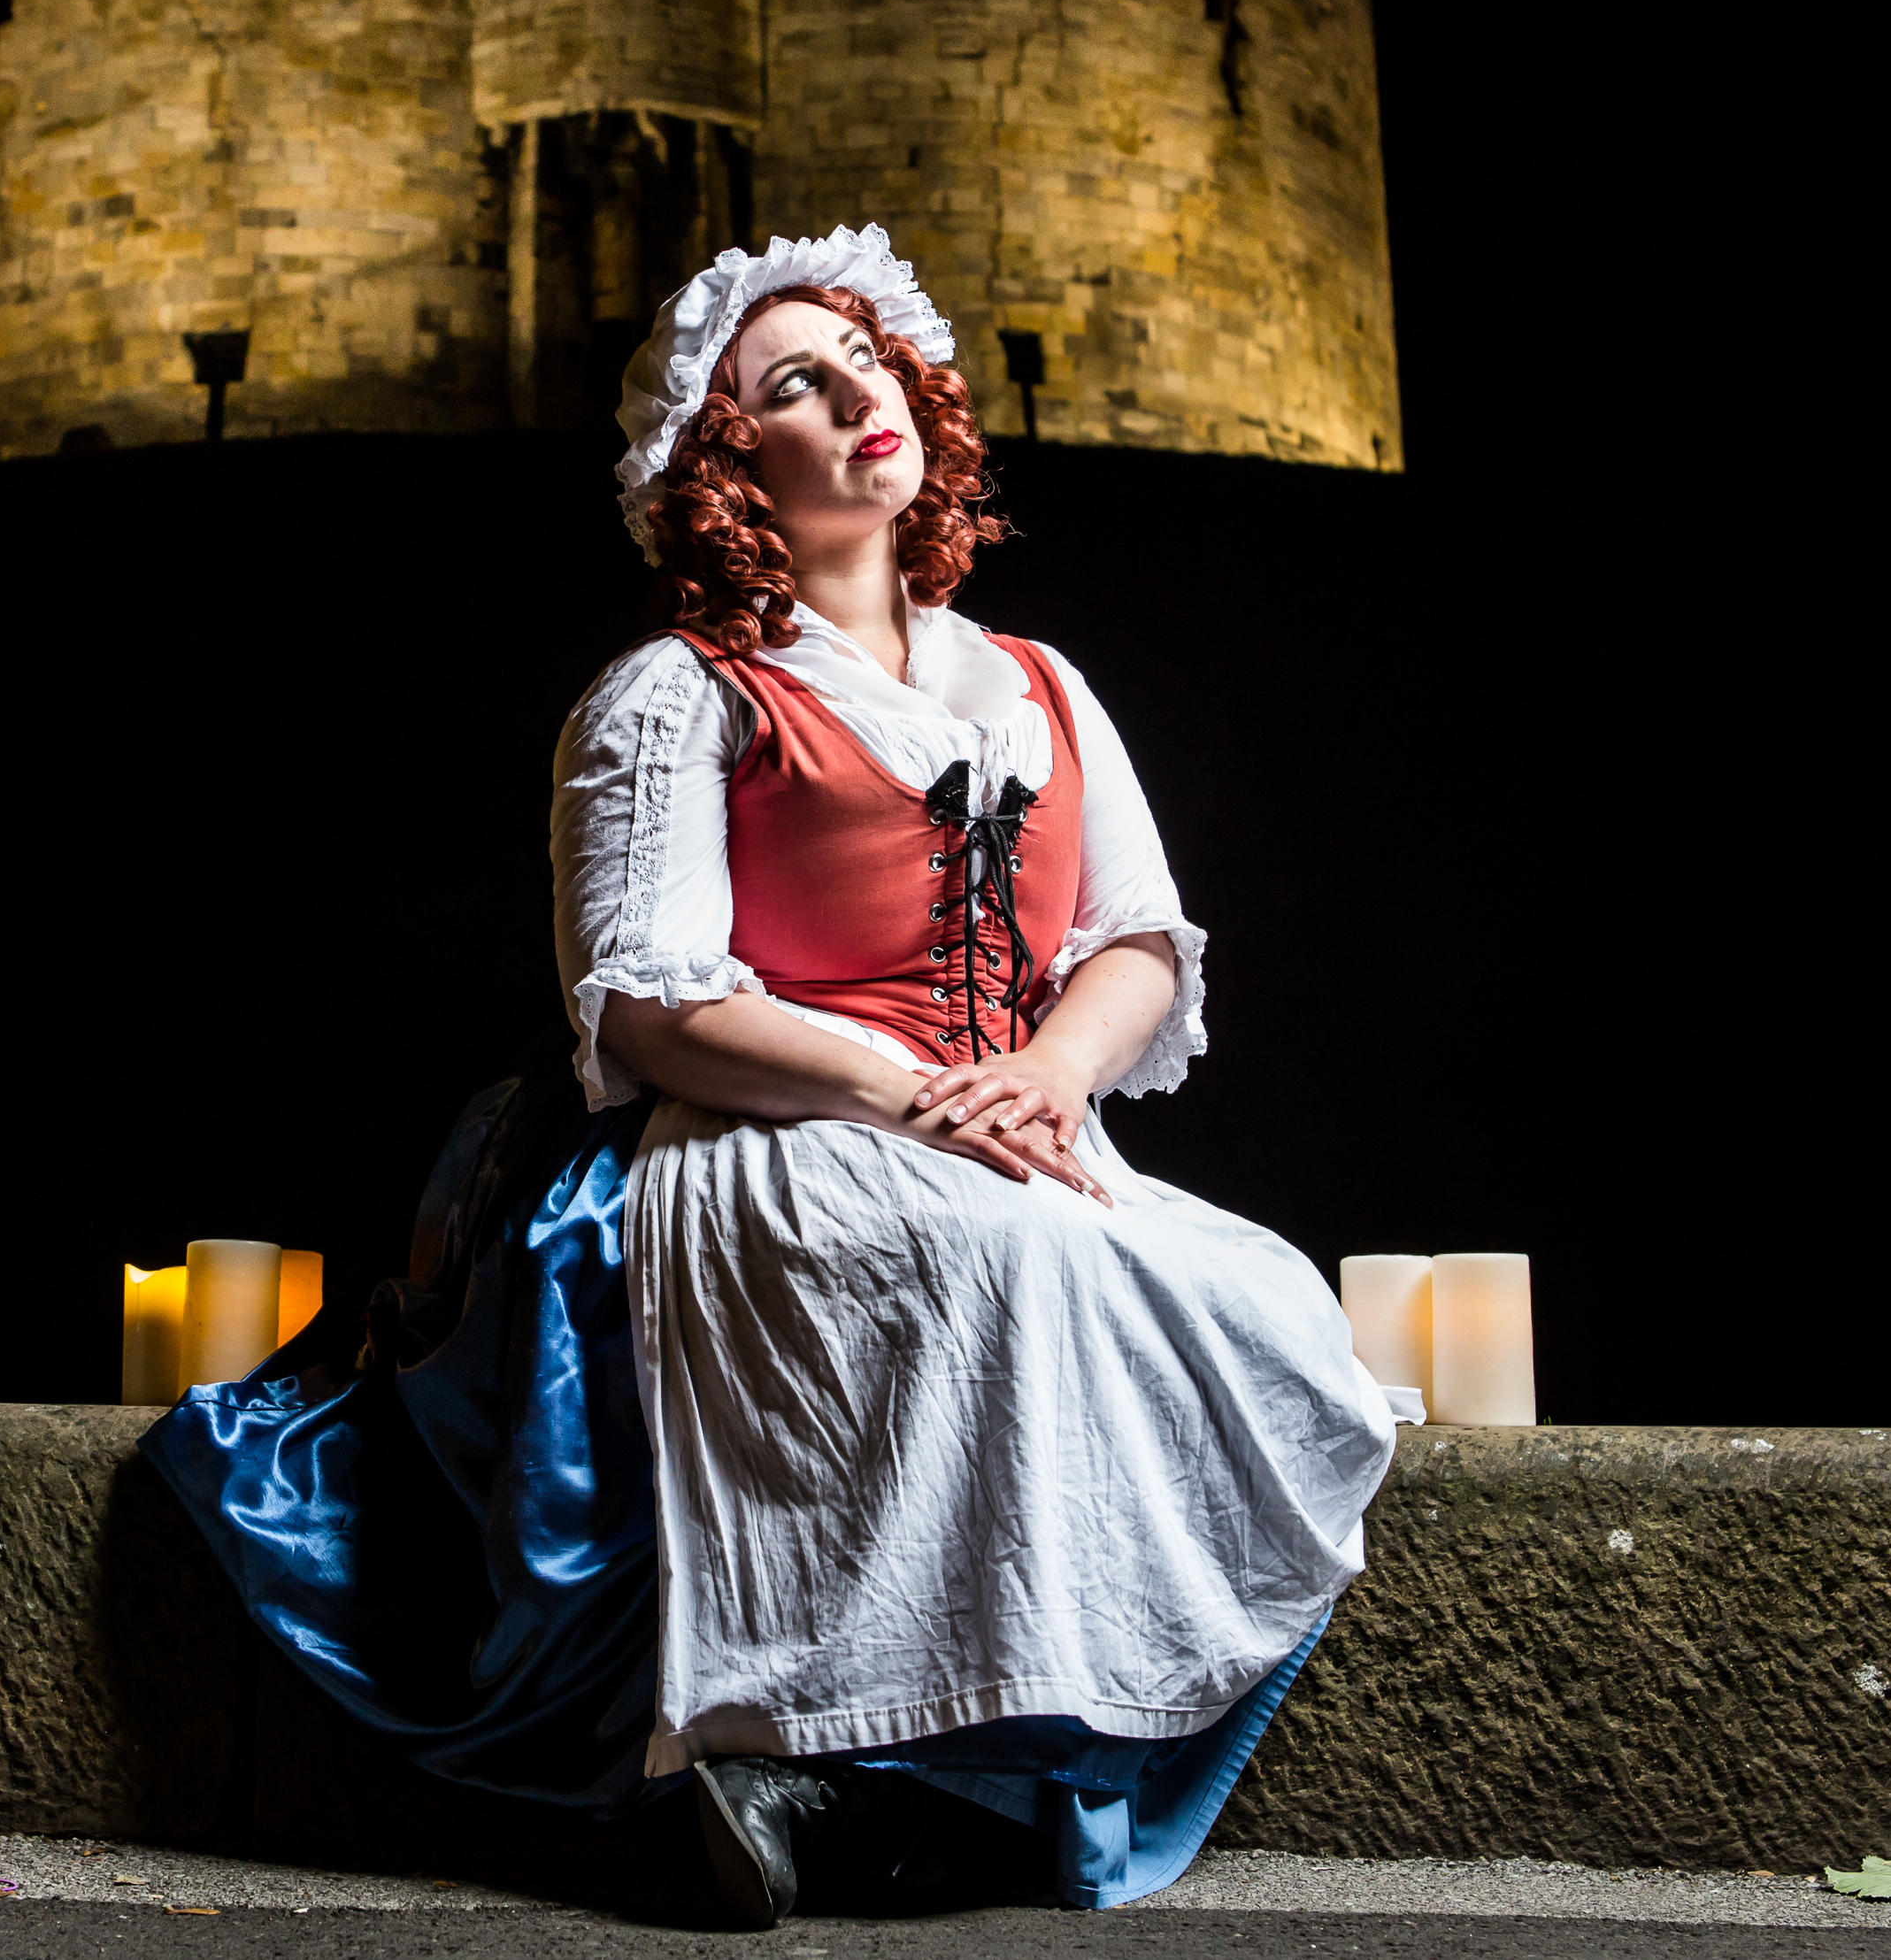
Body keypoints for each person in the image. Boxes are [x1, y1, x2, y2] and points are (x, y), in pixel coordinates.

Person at [145, 226, 1402, 1928]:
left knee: (1262, 1320)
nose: (853, 399)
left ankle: (998, 1760)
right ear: (731, 464)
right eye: (792, 388)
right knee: (995, 1264)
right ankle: (795, 1744)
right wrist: (909, 1097)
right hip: (768, 1122)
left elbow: (1139, 943)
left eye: (865, 365)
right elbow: (648, 1002)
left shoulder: (1038, 684)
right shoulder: (678, 694)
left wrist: (1035, 1077)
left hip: (1014, 1122)